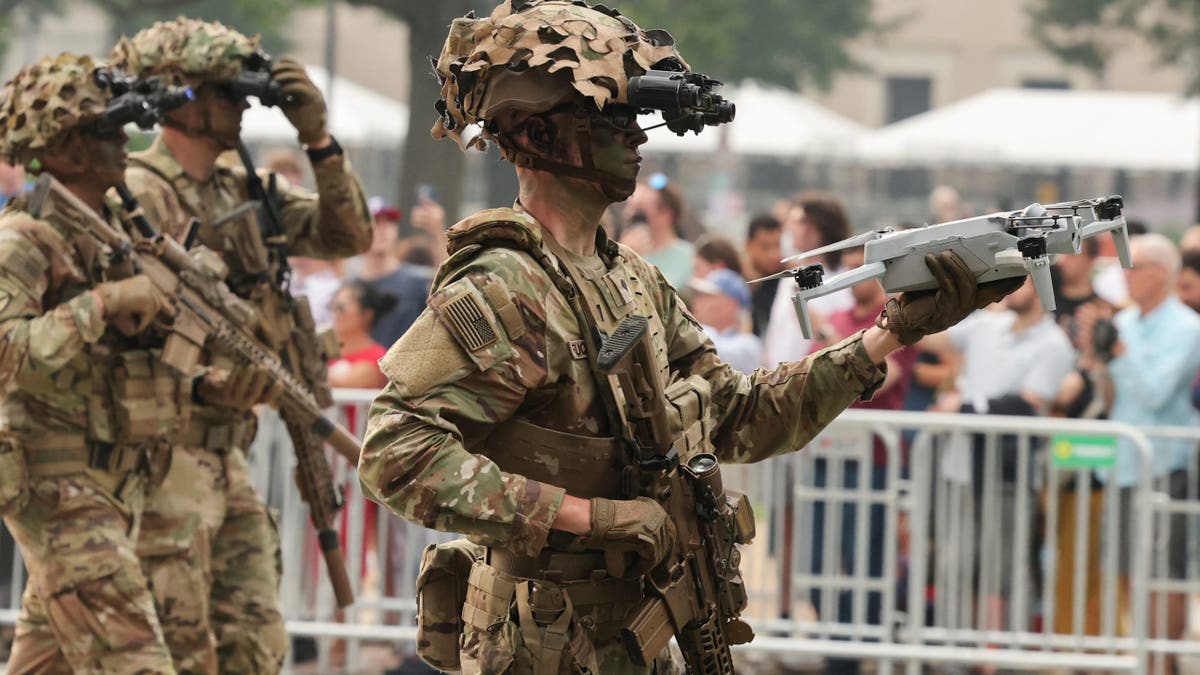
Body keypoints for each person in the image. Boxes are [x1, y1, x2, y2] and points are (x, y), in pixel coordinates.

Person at [358, 2, 1019, 672]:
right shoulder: (504, 285)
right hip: (537, 648)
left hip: (628, 637)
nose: (637, 137)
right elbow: (394, 449)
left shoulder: (631, 279)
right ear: (538, 132)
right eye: (614, 116)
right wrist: (589, 516)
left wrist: (890, 332)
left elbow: (741, 416)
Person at [110, 18, 373, 674]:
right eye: (226, 94)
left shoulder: (245, 189)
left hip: (229, 455)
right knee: (176, 644)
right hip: (159, 461)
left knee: (254, 645)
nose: (240, 108)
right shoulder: (136, 192)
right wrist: (203, 380)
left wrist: (318, 137)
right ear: (181, 99)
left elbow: (348, 234)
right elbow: (117, 333)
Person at [0, 53, 182, 673]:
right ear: (67, 148)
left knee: (44, 660)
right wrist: (104, 302)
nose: (124, 143)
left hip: (109, 482)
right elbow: (7, 352)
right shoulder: (24, 238)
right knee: (135, 662)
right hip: (57, 486)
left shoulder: (109, 228)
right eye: (107, 130)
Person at [1085, 233, 1200, 672]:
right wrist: (1098, 363)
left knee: (1165, 572)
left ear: (1162, 273)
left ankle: (1162, 662)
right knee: (1131, 567)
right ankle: (1144, 655)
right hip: (1124, 463)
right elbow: (1115, 399)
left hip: (1166, 463)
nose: (1126, 277)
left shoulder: (1188, 328)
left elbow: (1154, 393)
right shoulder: (1126, 323)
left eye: (1135, 267)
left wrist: (1117, 352)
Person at [762, 192, 854, 365]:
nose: (790, 228)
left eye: (799, 222)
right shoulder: (789, 280)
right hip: (777, 383)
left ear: (819, 228)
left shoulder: (844, 282)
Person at [359, 198, 435, 346]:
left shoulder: (417, 281)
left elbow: (449, 287)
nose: (384, 229)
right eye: (375, 223)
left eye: (389, 222)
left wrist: (437, 232)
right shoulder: (349, 290)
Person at [684, 269, 761, 374]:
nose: (696, 302)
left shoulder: (748, 345)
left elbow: (707, 347)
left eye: (706, 296)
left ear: (730, 305)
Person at [623, 176, 693, 287]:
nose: (628, 215)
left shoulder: (690, 259)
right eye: (629, 208)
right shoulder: (619, 251)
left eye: (639, 211)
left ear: (667, 215)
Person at [744, 213, 784, 336]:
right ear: (748, 245)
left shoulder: (786, 280)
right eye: (765, 247)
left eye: (777, 246)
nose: (773, 255)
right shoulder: (738, 281)